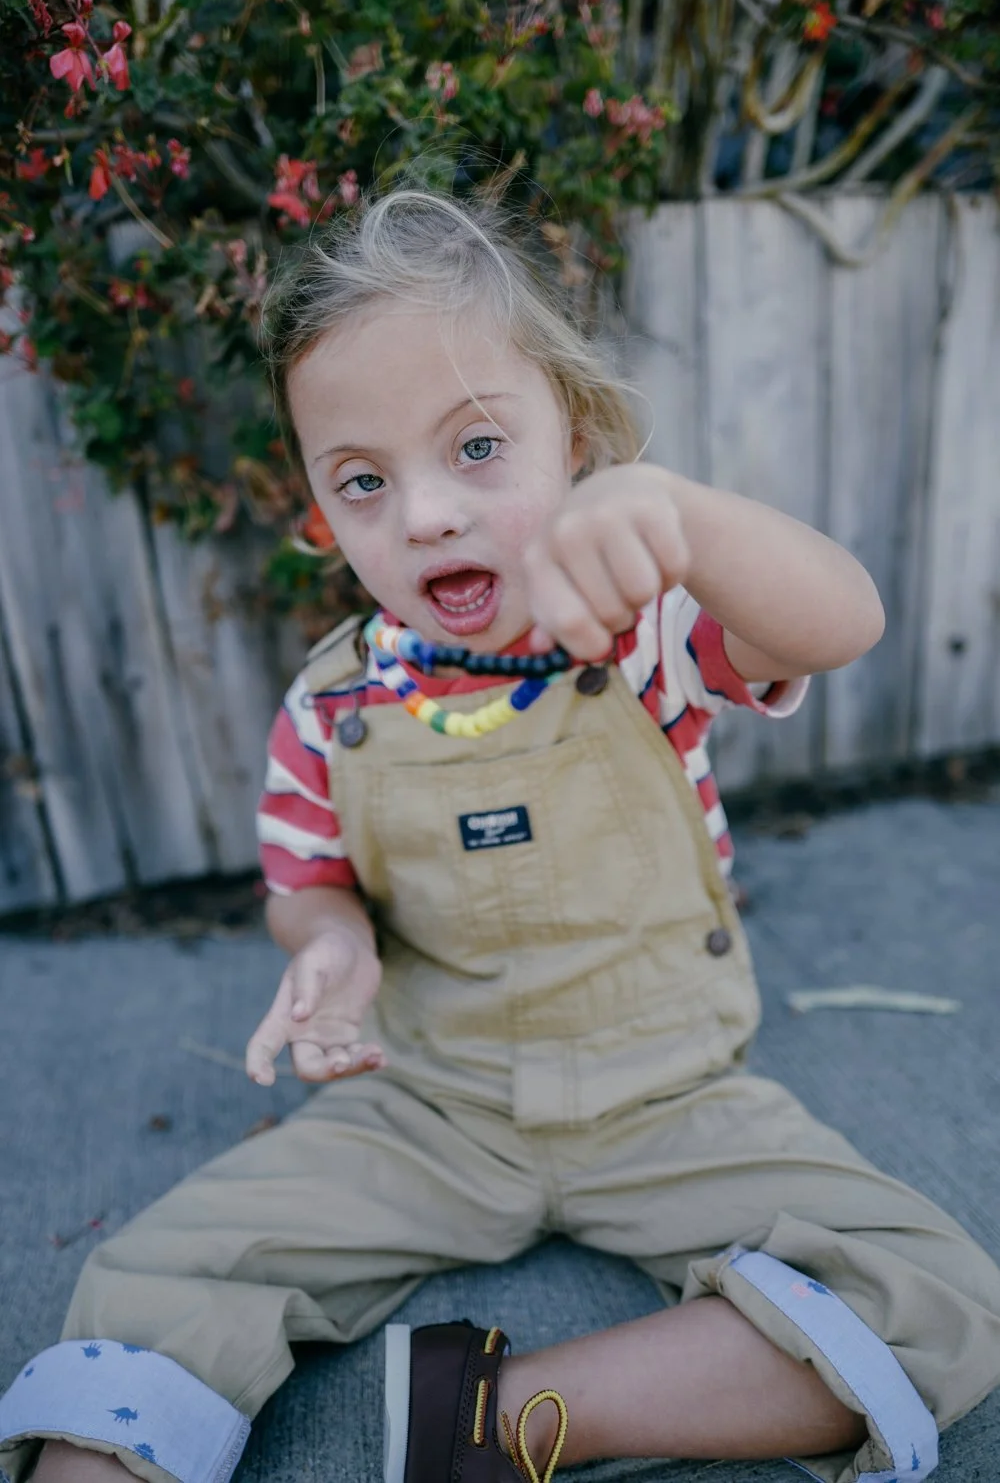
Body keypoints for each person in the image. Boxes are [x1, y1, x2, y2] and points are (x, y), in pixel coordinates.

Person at [3, 186, 999, 1483]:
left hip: (669, 1099)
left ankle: (492, 1413)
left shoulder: (646, 639)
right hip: (431, 1108)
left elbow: (838, 622)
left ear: (573, 442)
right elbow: (304, 878)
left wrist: (682, 520)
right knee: (165, 1270)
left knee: (933, 1298)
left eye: (476, 448)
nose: (423, 514)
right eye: (364, 481)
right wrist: (329, 946)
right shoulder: (334, 707)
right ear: (321, 507)